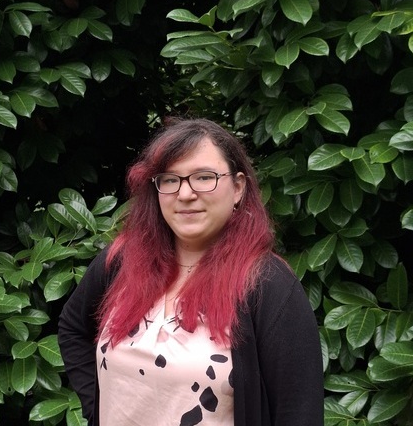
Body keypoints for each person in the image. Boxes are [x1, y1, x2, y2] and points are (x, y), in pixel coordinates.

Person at [58, 117, 324, 426]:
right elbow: (72, 327)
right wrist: (98, 408)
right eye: (170, 180)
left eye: (204, 177)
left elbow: (299, 413)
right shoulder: (123, 261)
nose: (185, 194)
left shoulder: (268, 286)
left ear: (238, 188)